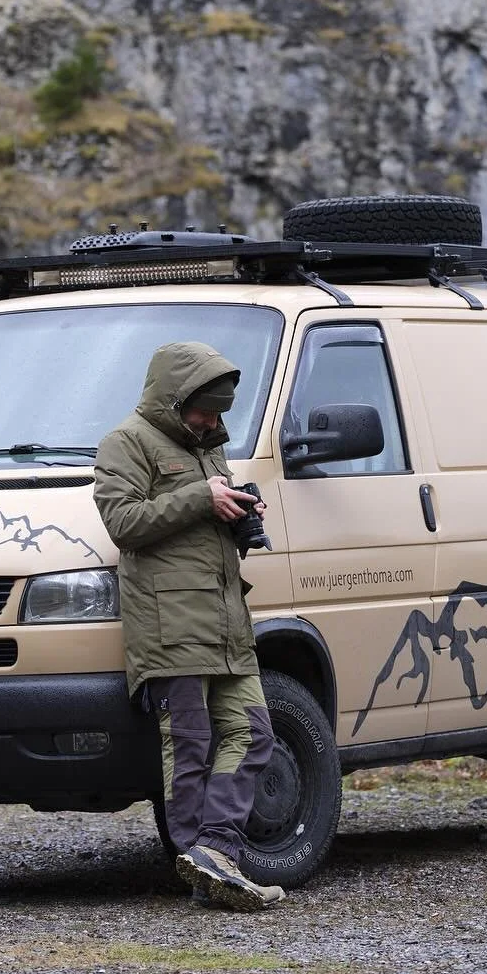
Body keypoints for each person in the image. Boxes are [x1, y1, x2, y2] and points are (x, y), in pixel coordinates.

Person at [93, 341, 284, 912]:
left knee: (254, 733)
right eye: (204, 410)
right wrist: (202, 498)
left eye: (219, 412)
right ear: (174, 399)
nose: (211, 421)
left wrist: (238, 515)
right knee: (191, 743)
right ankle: (201, 862)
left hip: (226, 621)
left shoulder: (210, 448)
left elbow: (200, 522)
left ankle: (215, 850)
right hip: (169, 624)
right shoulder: (126, 442)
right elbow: (124, 523)